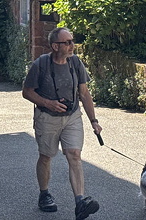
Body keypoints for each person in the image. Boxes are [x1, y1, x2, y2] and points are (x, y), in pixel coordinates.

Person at [22, 27, 102, 220]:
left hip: (72, 116)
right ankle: (44, 194)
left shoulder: (75, 63)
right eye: (67, 42)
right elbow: (27, 92)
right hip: (46, 118)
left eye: (72, 41)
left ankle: (80, 202)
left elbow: (83, 93)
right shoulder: (41, 64)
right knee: (46, 156)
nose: (71, 46)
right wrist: (48, 103)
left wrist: (94, 120)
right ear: (55, 46)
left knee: (74, 155)